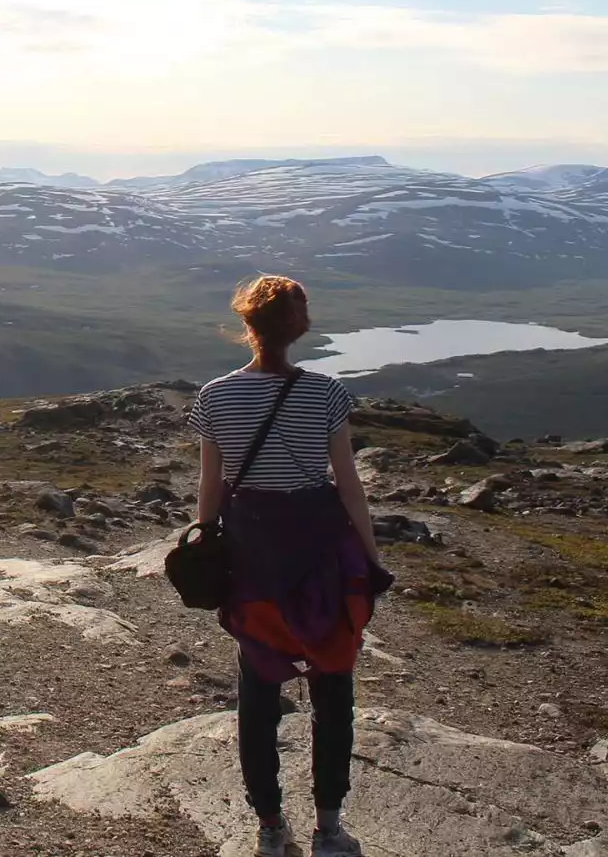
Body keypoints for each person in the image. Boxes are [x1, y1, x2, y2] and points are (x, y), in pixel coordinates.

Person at [188, 275, 390, 857]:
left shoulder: (214, 396)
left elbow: (211, 486)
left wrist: (206, 543)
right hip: (323, 555)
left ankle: (271, 829)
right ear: (299, 328)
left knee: (257, 692)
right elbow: (349, 488)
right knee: (334, 690)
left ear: (247, 326)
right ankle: (329, 829)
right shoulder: (326, 393)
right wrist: (372, 561)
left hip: (252, 554)